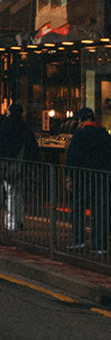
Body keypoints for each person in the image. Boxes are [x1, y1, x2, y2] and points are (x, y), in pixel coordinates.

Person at [66, 106, 111, 254]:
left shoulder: (79, 136)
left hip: (82, 177)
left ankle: (79, 239)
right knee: (100, 210)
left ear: (81, 120)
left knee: (78, 207)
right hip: (102, 176)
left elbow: (72, 158)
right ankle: (100, 244)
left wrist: (70, 177)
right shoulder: (104, 134)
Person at [0, 103, 40, 230]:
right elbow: (32, 147)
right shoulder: (24, 127)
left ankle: (11, 222)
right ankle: (19, 220)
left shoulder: (5, 127)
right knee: (17, 193)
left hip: (6, 164)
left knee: (11, 193)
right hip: (20, 165)